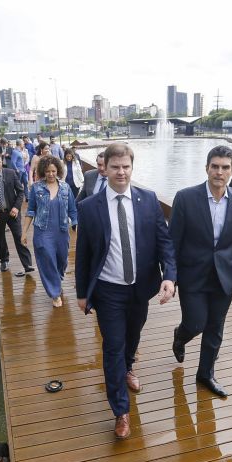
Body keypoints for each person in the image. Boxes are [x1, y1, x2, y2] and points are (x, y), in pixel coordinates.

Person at [75, 142, 176, 439]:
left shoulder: (148, 200)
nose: (121, 172)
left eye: (126, 167)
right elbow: (82, 253)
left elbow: (164, 243)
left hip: (140, 288)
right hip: (108, 291)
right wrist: (83, 292)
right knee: (113, 347)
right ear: (104, 168)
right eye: (115, 166)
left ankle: (128, 367)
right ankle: (121, 411)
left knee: (133, 337)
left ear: (132, 168)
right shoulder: (89, 207)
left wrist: (169, 276)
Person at [169, 145, 232, 398]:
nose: (219, 172)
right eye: (215, 166)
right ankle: (180, 335)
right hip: (193, 274)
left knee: (215, 328)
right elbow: (173, 241)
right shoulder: (185, 198)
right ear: (207, 168)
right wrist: (170, 277)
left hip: (225, 274)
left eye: (225, 167)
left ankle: (205, 373)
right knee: (195, 323)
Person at [22, 156, 78, 307]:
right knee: (48, 261)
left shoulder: (66, 188)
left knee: (62, 261)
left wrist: (77, 226)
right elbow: (31, 211)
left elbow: (73, 210)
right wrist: (24, 232)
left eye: (53, 171)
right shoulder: (36, 188)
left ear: (58, 171)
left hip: (61, 231)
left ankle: (56, 281)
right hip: (42, 232)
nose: (51, 174)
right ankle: (54, 294)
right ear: (43, 171)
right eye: (47, 171)